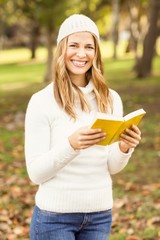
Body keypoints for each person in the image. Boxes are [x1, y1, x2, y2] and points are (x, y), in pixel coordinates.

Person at [25, 14, 142, 240]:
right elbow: (35, 173)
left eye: (89, 46)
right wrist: (71, 145)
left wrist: (124, 148)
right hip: (54, 218)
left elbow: (111, 166)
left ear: (96, 52)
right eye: (74, 45)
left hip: (99, 216)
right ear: (62, 49)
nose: (81, 53)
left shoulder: (111, 99)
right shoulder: (42, 101)